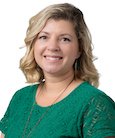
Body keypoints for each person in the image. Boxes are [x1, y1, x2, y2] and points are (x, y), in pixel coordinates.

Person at [0, 3, 115, 138]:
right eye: (44, 37)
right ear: (33, 44)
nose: (53, 47)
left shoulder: (95, 103)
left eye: (65, 39)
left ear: (79, 49)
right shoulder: (20, 98)